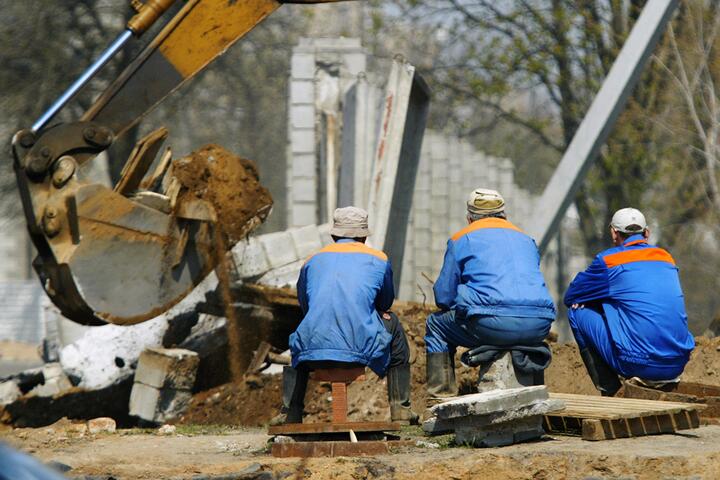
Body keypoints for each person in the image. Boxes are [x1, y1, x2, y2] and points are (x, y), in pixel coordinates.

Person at [273, 206, 418, 425]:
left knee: (303, 334)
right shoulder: (379, 259)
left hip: (315, 346)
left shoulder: (312, 260)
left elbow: (304, 304)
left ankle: (290, 412)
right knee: (394, 325)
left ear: (333, 234)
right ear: (363, 236)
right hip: (360, 345)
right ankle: (401, 409)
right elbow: (385, 303)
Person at [425, 188, 556, 400]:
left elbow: (443, 297)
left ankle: (440, 399)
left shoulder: (462, 239)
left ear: (470, 218)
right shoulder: (527, 239)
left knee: (436, 325)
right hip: (539, 325)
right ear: (505, 215)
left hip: (491, 325)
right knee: (513, 327)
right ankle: (534, 396)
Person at [564, 208, 694, 396]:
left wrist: (597, 302)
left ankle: (611, 391)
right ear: (647, 233)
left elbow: (571, 297)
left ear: (613, 233)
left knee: (577, 312)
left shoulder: (609, 260)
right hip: (677, 362)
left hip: (639, 363)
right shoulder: (666, 258)